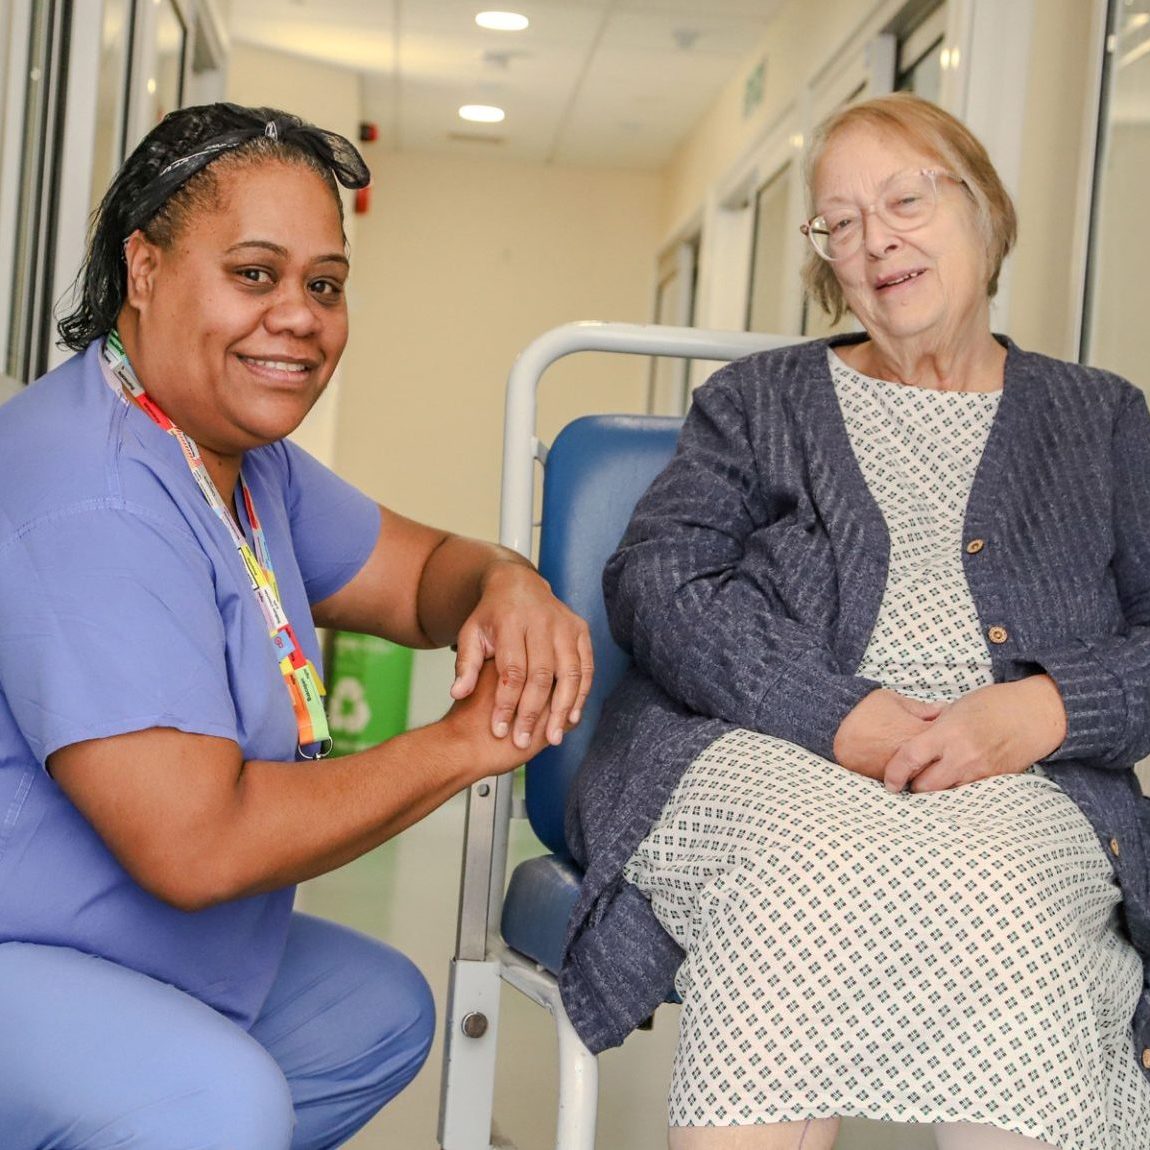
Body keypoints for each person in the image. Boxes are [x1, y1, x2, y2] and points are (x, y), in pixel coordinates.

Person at [562, 92, 1150, 1150]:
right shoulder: (757, 401)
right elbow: (659, 579)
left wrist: (1045, 710)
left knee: (1008, 895)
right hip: (768, 747)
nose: (874, 241)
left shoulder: (1101, 419)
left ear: (984, 212)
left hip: (1017, 778)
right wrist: (842, 714)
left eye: (904, 200)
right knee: (797, 873)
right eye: (839, 222)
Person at [0, 102, 592, 1150]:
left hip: (128, 944)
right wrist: (464, 744)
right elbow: (196, 845)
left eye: (324, 284)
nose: (300, 315)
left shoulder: (226, 455)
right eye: (255, 274)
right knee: (222, 1102)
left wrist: (506, 585)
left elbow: (422, 581)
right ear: (144, 269)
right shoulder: (89, 491)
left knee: (375, 1015)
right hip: (24, 950)